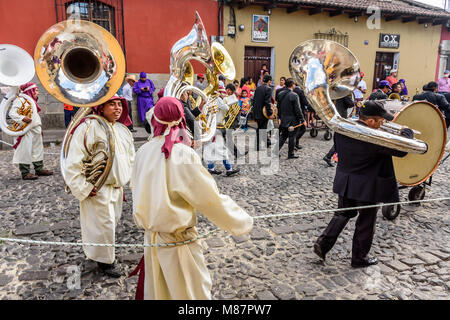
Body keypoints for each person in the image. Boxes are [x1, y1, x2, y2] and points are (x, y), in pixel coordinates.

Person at [130, 97, 253, 300]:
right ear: (181, 120)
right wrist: (241, 221)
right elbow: (208, 198)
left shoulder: (142, 151)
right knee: (189, 294)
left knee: (159, 293)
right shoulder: (182, 154)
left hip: (152, 240)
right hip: (178, 243)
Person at [314, 100, 413, 268]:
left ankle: (322, 244)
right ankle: (359, 258)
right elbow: (401, 151)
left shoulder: (343, 130)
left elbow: (338, 148)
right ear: (370, 121)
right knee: (366, 221)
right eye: (380, 121)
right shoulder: (374, 138)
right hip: (366, 186)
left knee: (343, 214)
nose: (382, 124)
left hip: (345, 181)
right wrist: (407, 133)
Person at [64, 95, 135, 277]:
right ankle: (106, 263)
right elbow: (73, 162)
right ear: (101, 108)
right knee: (103, 226)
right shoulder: (88, 128)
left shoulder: (122, 130)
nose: (118, 108)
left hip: (116, 188)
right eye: (112, 104)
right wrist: (83, 187)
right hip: (98, 189)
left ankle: (97, 254)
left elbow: (131, 159)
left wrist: (131, 181)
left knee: (108, 225)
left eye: (120, 104)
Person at [10, 82, 53, 180]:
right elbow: (12, 113)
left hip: (35, 128)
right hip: (25, 129)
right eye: (36, 90)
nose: (37, 92)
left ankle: (39, 168)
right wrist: (22, 118)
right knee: (25, 150)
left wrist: (39, 128)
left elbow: (35, 116)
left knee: (38, 149)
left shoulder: (32, 102)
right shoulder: (20, 100)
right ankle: (25, 172)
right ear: (30, 90)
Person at [204, 87, 240, 176]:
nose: (225, 94)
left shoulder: (212, 99)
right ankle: (228, 169)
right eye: (223, 92)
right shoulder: (218, 99)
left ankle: (211, 168)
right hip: (217, 127)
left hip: (214, 127)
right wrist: (227, 100)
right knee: (222, 149)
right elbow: (226, 108)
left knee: (212, 148)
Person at [276, 78, 305, 159]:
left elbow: (278, 107)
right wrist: (303, 120)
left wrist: (279, 117)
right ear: (292, 85)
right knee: (292, 137)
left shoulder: (280, 93)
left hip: (283, 118)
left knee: (283, 136)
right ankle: (290, 154)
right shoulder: (294, 95)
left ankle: (275, 151)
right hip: (293, 120)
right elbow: (298, 109)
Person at [322, 94, 354, 167]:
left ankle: (331, 156)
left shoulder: (334, 94)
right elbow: (351, 104)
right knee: (341, 139)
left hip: (335, 117)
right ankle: (329, 156)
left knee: (339, 139)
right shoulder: (344, 95)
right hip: (341, 118)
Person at [252, 75, 274, 151]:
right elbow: (267, 102)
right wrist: (270, 113)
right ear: (269, 81)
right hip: (263, 113)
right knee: (263, 129)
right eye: (271, 81)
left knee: (260, 128)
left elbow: (254, 100)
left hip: (257, 111)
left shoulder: (258, 88)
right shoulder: (268, 89)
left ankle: (266, 142)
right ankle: (259, 145)